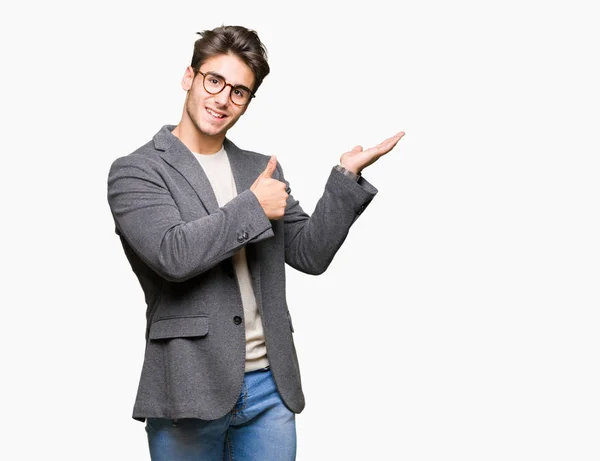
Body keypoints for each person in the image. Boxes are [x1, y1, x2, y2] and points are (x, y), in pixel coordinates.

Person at [107, 25, 404, 461]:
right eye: (214, 80)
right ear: (189, 77)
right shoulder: (137, 170)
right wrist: (252, 206)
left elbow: (309, 253)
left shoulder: (259, 169)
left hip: (270, 386)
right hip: (189, 384)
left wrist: (346, 179)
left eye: (240, 92)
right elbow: (173, 255)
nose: (223, 99)